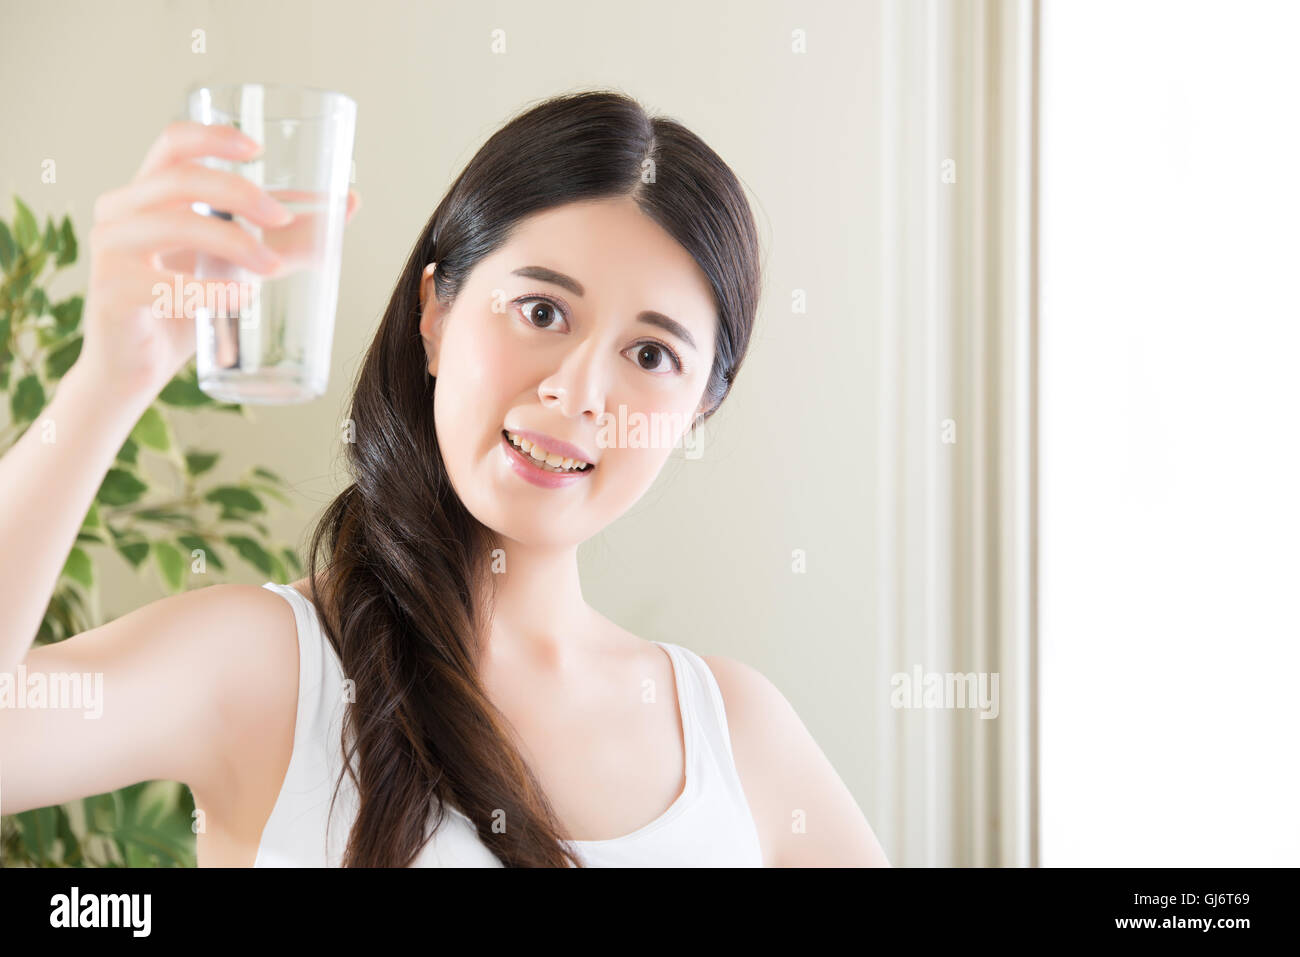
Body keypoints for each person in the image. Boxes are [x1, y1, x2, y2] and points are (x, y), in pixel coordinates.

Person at [0, 90, 890, 867]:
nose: (575, 392)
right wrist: (109, 377)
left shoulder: (736, 732)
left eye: (651, 353)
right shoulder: (274, 665)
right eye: (542, 310)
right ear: (434, 314)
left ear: (697, 409)